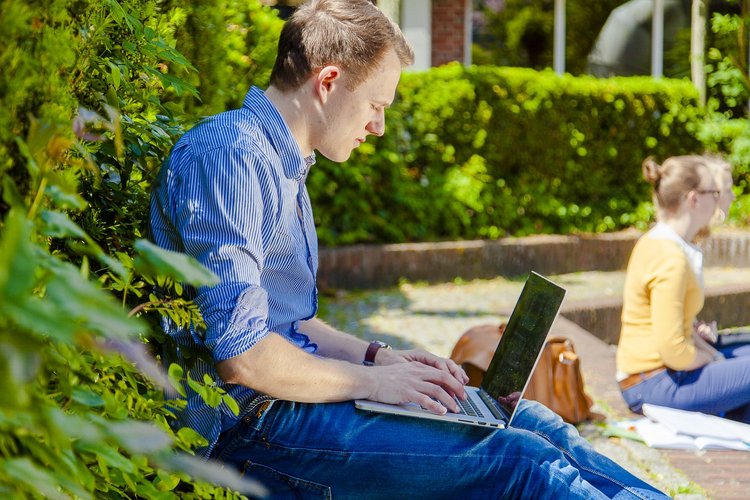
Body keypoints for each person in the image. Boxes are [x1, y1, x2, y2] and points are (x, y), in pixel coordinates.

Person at [150, 0, 668, 497]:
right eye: (376, 106)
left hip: (285, 408)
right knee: (519, 461)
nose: (377, 127)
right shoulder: (231, 157)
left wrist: (385, 359)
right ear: (328, 82)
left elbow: (293, 322)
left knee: (533, 422)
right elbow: (244, 359)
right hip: (246, 430)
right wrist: (372, 383)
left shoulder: (283, 163)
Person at [616, 154, 750, 422]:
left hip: (653, 378)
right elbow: (675, 351)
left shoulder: (660, 243)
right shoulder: (670, 258)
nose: (721, 198)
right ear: (694, 199)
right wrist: (714, 360)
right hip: (654, 383)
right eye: (715, 191)